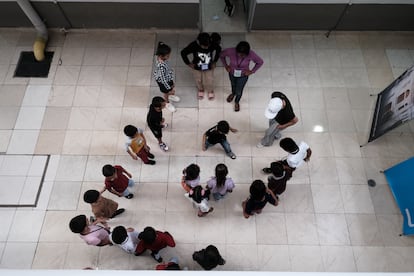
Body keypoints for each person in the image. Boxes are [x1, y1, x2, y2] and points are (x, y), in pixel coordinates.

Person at [220, 41, 263, 112]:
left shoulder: (251, 54)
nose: (241, 56)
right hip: (232, 73)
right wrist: (226, 65)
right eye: (239, 54)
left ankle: (237, 101)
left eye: (243, 55)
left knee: (239, 90)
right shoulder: (230, 51)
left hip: (243, 75)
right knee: (233, 85)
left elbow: (260, 62)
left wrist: (252, 71)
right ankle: (233, 94)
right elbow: (221, 55)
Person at [181, 32, 221, 100]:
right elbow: (183, 53)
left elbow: (218, 49)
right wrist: (188, 63)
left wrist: (215, 61)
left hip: (209, 66)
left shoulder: (212, 43)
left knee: (209, 80)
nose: (206, 47)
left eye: (207, 45)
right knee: (198, 79)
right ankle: (200, 89)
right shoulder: (193, 45)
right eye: (204, 46)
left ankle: (210, 90)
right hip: (197, 67)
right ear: (199, 42)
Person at [154, 41, 180, 112]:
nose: (169, 56)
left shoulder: (160, 58)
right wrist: (169, 88)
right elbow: (163, 79)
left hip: (168, 78)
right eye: (167, 55)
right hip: (163, 82)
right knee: (166, 93)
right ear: (161, 55)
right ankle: (167, 102)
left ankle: (170, 95)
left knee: (172, 87)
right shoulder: (161, 66)